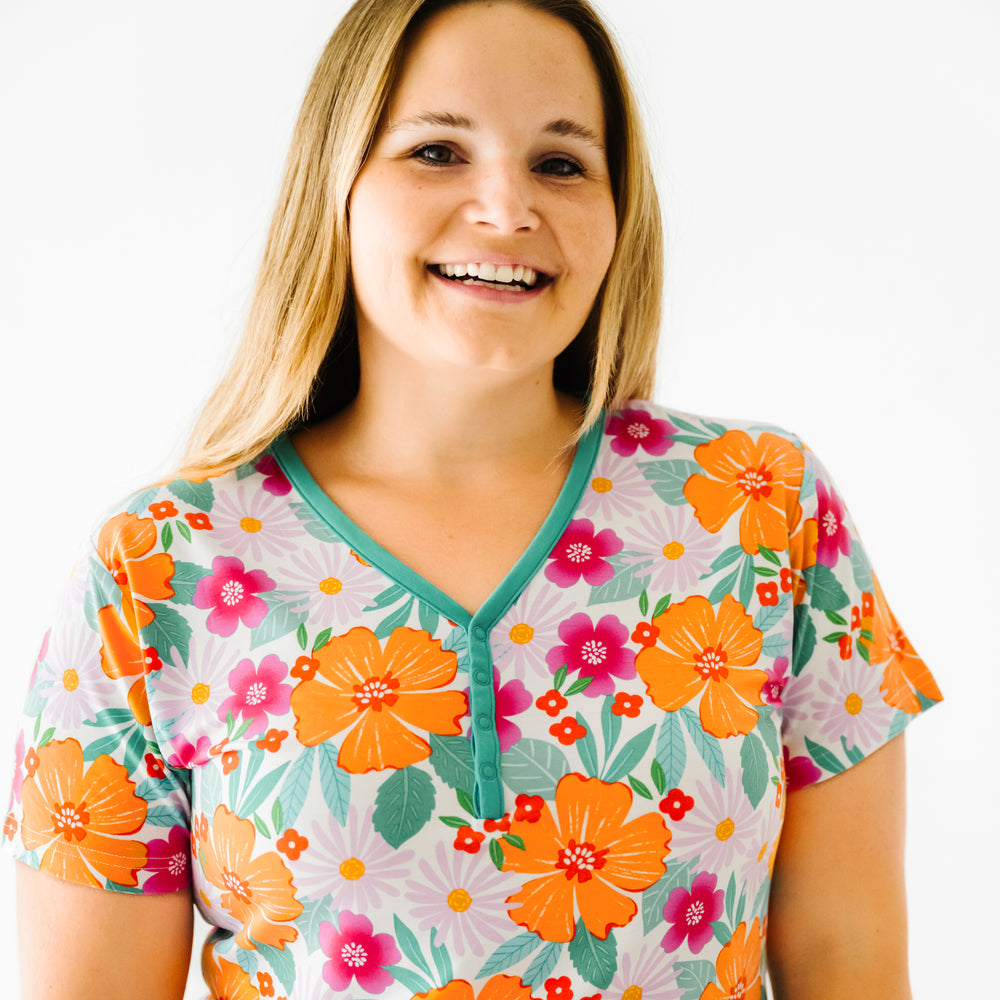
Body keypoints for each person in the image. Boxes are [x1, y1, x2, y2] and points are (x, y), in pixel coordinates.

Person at [6, 1, 942, 998]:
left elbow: (849, 957)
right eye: (437, 151)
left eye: (561, 163)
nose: (504, 207)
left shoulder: (762, 509)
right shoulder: (156, 568)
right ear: (338, 183)